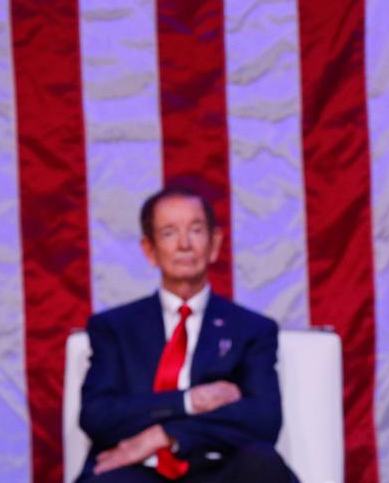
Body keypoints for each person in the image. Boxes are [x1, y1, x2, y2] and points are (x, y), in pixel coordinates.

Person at [77, 186, 297, 482]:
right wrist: (188, 401)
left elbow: (263, 419)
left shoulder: (252, 330)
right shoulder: (114, 328)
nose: (184, 244)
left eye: (196, 230)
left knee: (262, 464)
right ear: (150, 250)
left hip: (217, 468)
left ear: (214, 243)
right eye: (169, 233)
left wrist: (166, 435)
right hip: (136, 470)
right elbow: (98, 416)